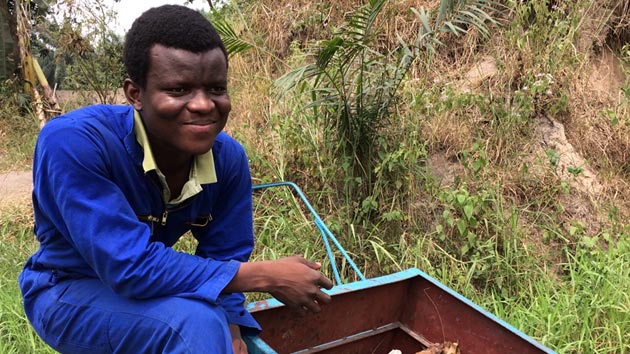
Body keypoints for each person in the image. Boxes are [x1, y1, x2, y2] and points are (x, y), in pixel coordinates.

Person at [18, 5, 333, 354]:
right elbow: (130, 266)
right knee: (191, 323)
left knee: (212, 324)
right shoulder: (76, 142)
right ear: (135, 94)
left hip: (148, 295)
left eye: (216, 88)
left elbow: (225, 250)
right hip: (65, 290)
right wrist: (266, 275)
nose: (202, 105)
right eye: (179, 89)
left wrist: (231, 327)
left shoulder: (227, 159)